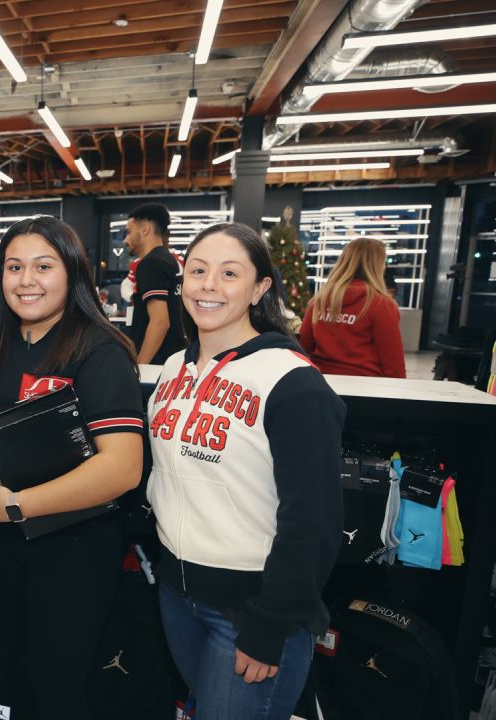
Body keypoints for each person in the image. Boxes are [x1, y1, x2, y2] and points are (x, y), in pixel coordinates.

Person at [146, 222, 344, 720]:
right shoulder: (174, 369)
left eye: (229, 273)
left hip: (249, 611)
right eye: (197, 271)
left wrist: (270, 623)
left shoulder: (293, 383)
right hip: (178, 596)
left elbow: (314, 520)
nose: (208, 285)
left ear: (260, 288)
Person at [0, 216, 145, 719]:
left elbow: (122, 468)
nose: (26, 280)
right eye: (14, 267)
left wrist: (16, 505)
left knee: (58, 680)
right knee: (4, 669)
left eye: (43, 266)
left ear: (73, 272)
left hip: (74, 546)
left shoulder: (100, 352)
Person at [299, 237, 406, 378]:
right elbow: (393, 364)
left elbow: (303, 349)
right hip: (366, 390)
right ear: (377, 266)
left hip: (321, 384)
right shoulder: (381, 305)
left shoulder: (320, 300)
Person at [124, 202, 187, 364]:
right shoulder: (169, 261)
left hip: (156, 362)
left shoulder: (151, 263)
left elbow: (160, 322)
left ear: (145, 230)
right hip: (172, 356)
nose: (125, 239)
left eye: (129, 232)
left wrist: (140, 366)